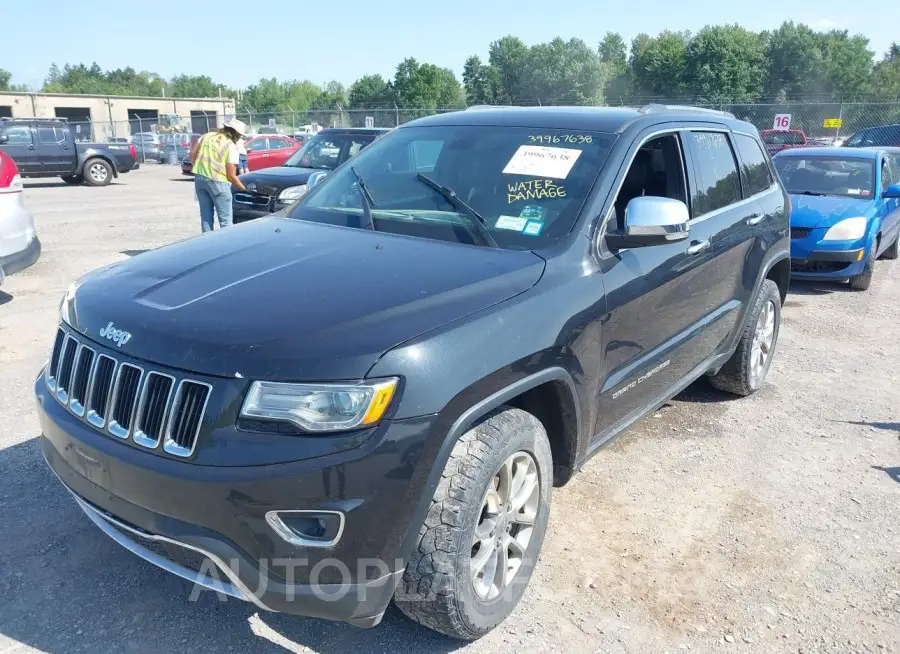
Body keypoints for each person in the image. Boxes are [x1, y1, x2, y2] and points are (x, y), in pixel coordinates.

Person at [189, 118, 248, 232]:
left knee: (206, 217)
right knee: (225, 222)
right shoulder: (230, 146)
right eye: (240, 136)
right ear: (236, 134)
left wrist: (199, 169)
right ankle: (226, 247)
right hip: (219, 183)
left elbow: (192, 154)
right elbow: (231, 175)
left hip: (200, 180)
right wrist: (243, 189)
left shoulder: (207, 136)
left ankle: (207, 243)